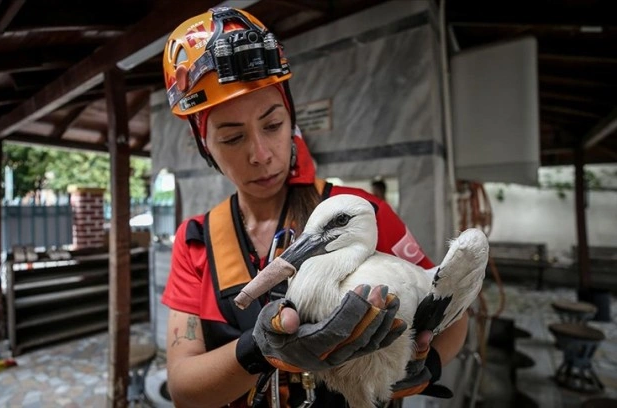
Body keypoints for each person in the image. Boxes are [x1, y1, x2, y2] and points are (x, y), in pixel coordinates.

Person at [160, 7, 468, 408]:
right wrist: (260, 349)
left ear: (292, 119)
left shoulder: (360, 213)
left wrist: (422, 368)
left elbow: (450, 311)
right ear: (206, 148)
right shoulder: (196, 239)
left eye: (272, 125)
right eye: (233, 138)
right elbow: (184, 388)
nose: (261, 154)